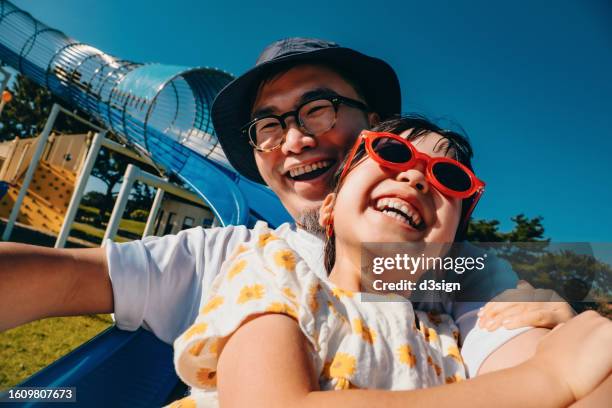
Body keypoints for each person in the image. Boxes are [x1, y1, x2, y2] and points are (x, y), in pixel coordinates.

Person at [0, 38, 573, 376]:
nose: (293, 139)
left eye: (318, 108)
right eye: (268, 125)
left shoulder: (454, 269)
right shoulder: (243, 261)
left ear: (377, 128)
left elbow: (512, 341)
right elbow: (69, 278)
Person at [166, 116, 612, 407]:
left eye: (449, 178)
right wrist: (549, 377)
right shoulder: (278, 272)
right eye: (392, 152)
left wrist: (581, 348)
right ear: (328, 209)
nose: (418, 177)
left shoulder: (450, 338)